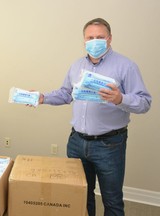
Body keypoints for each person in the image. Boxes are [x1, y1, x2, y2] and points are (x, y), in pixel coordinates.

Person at [35, 18, 152, 216]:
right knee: (80, 196)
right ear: (84, 40)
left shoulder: (126, 66)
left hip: (109, 145)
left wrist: (120, 98)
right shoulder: (76, 66)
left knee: (112, 200)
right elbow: (65, 94)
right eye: (90, 37)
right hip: (77, 142)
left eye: (100, 37)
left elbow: (145, 103)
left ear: (109, 39)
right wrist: (43, 97)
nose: (94, 41)